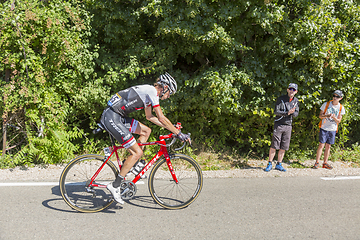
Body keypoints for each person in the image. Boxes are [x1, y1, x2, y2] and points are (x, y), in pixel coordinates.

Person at [100, 73, 191, 204]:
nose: (168, 96)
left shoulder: (149, 93)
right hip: (112, 117)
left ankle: (132, 163)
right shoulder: (152, 92)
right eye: (169, 93)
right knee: (138, 152)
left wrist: (172, 129)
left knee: (146, 131)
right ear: (164, 87)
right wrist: (177, 133)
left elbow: (150, 117)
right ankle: (115, 185)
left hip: (117, 116)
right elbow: (161, 117)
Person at [265, 83, 299, 172]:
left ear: (296, 92)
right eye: (290, 89)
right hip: (279, 124)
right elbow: (276, 111)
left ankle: (279, 164)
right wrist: (287, 113)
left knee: (284, 146)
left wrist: (292, 113)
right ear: (287, 90)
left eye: (293, 90)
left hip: (288, 126)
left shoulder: (296, 101)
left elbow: (296, 114)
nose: (291, 91)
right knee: (274, 145)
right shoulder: (281, 99)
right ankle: (269, 163)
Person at [313, 90, 345, 169]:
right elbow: (320, 116)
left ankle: (325, 163)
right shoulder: (326, 104)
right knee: (321, 145)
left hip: (333, 129)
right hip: (324, 127)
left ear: (340, 98)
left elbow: (339, 121)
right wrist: (327, 115)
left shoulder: (341, 107)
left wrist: (334, 117)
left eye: (337, 96)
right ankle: (317, 162)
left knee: (328, 146)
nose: (335, 98)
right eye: (334, 96)